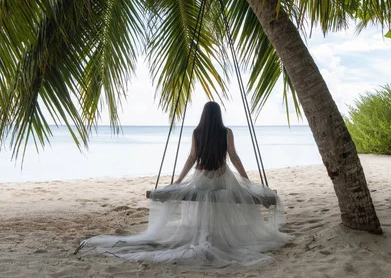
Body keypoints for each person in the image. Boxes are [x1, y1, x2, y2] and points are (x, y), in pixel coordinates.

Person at [77, 102, 294, 268]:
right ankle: (216, 236)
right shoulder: (226, 132)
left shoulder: (197, 133)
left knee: (202, 200)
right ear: (218, 116)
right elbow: (234, 157)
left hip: (201, 180)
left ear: (203, 116)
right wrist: (246, 179)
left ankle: (205, 235)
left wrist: (179, 181)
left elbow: (192, 158)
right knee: (221, 199)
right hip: (221, 178)